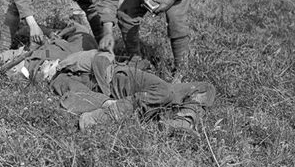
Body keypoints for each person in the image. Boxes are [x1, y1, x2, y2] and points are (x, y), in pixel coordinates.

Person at [51, 50, 215, 135]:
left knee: (205, 88)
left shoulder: (64, 56)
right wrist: (106, 103)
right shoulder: (60, 76)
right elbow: (74, 94)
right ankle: (104, 116)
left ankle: (181, 123)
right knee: (164, 91)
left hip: (120, 77)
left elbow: (100, 58)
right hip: (118, 81)